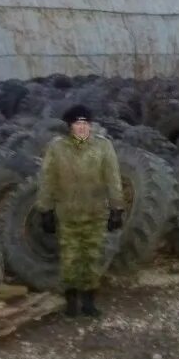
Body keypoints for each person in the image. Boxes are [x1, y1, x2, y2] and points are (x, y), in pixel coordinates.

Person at [37, 104, 124, 317]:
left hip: (95, 214)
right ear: (69, 126)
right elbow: (47, 180)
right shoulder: (57, 148)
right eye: (78, 123)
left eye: (86, 123)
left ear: (91, 125)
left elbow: (113, 179)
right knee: (70, 260)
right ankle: (71, 303)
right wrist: (45, 210)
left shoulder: (103, 147)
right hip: (68, 215)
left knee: (92, 259)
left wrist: (117, 209)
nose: (82, 128)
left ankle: (89, 303)